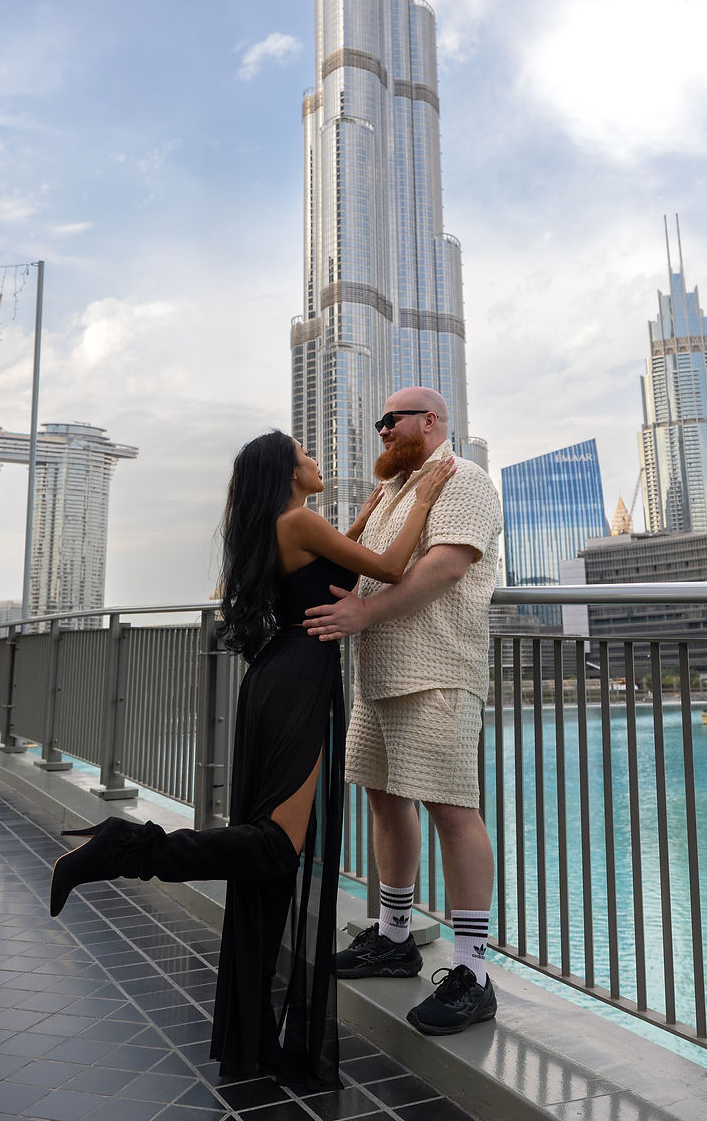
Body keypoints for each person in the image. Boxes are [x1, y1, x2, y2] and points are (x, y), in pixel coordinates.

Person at [48, 429, 453, 1083]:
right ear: (288, 472)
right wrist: (425, 494)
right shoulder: (299, 520)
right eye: (306, 453)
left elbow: (341, 562)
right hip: (298, 681)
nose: (316, 460)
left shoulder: (283, 525)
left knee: (272, 864)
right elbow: (386, 568)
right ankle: (128, 847)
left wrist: (375, 509)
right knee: (274, 850)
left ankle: (254, 1030)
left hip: (277, 678)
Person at [305, 388, 503, 1037]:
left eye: (393, 420)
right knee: (385, 799)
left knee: (452, 808)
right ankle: (394, 936)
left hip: (438, 672)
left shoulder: (464, 478)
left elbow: (446, 567)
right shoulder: (395, 491)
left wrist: (364, 613)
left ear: (432, 421)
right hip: (382, 675)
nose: (383, 431)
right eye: (379, 423)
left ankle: (473, 972)